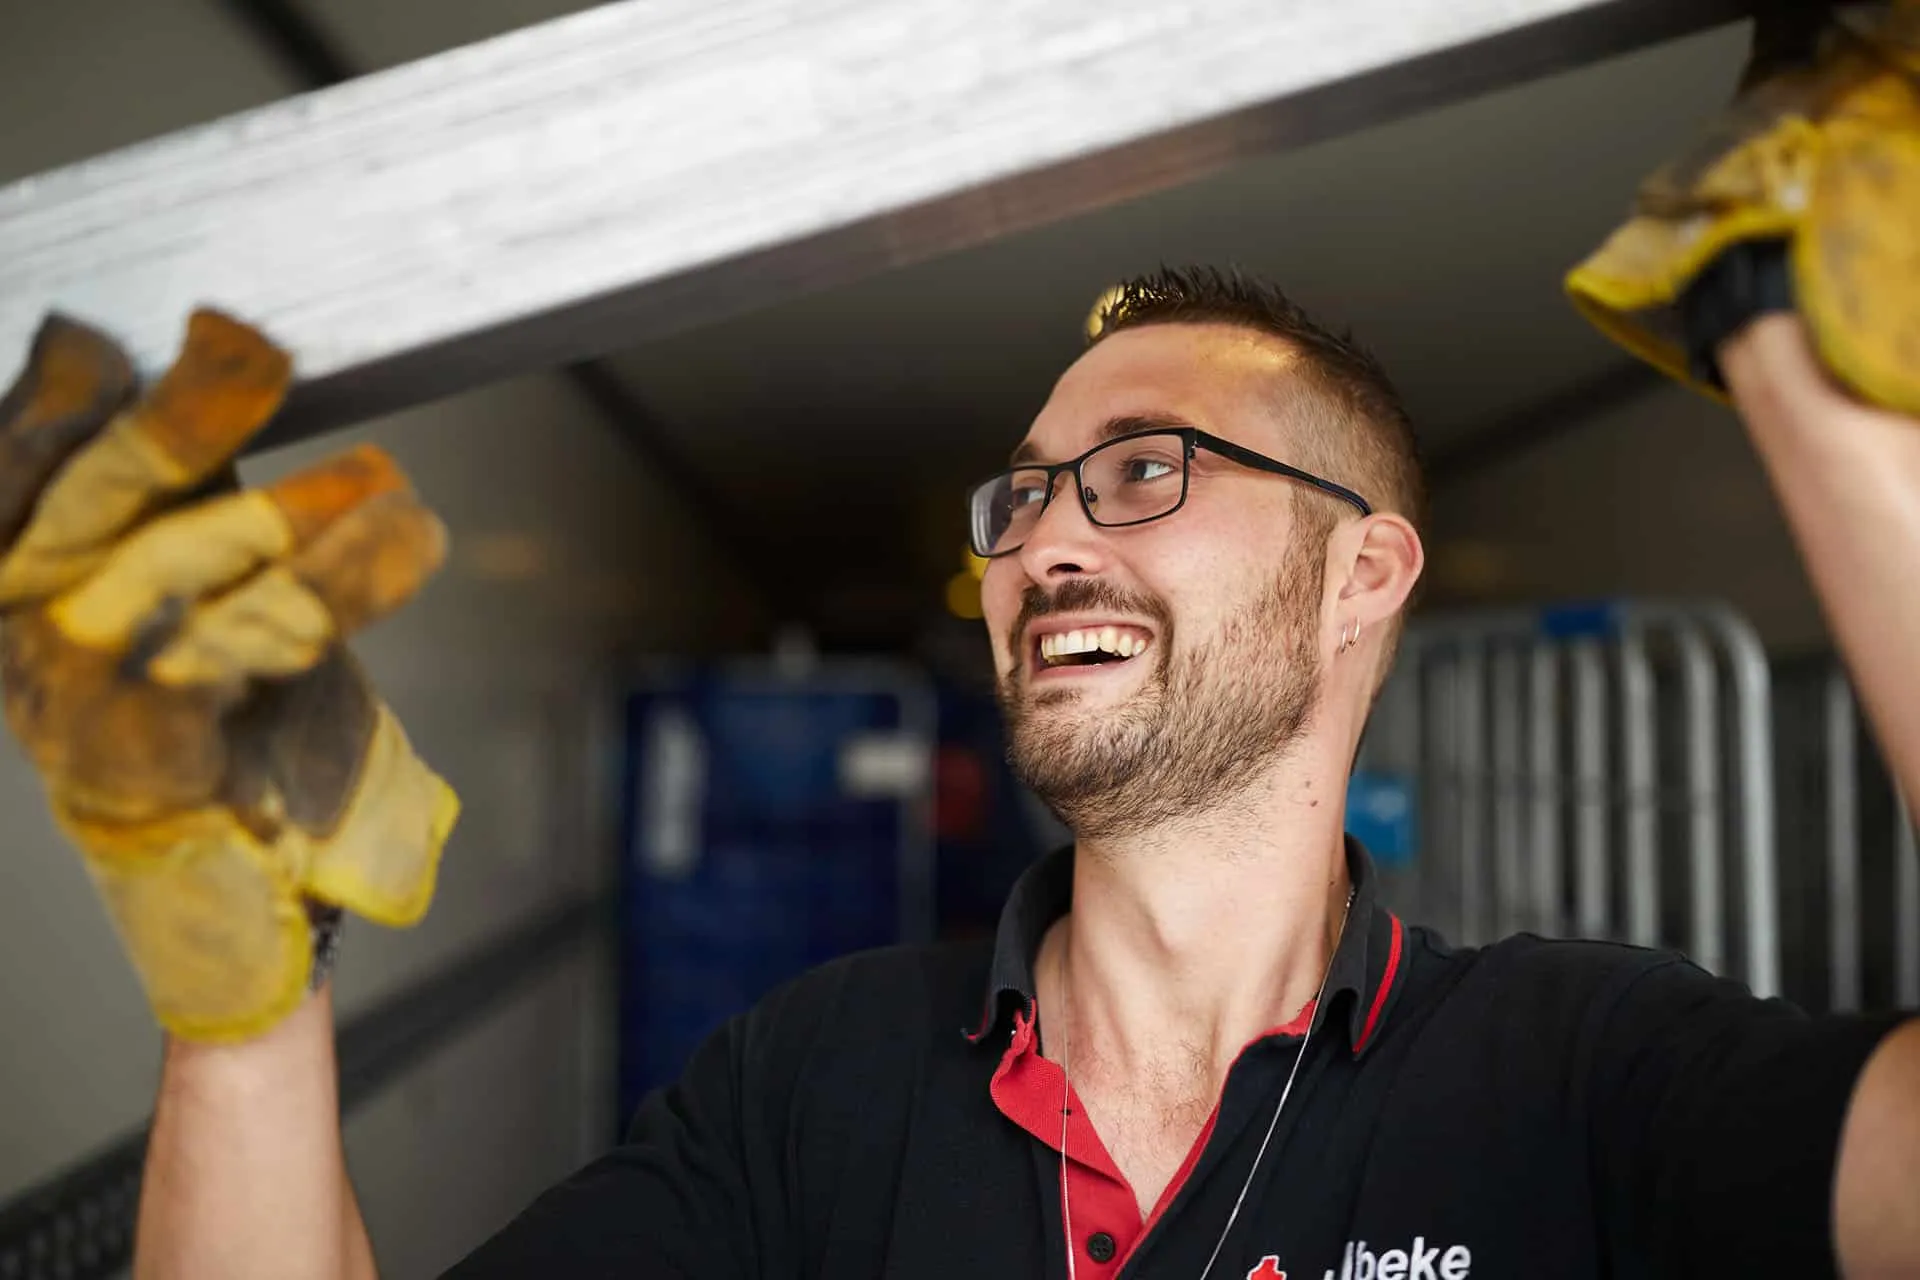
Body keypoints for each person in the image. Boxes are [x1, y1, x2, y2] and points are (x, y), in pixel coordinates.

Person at [1, 8, 1916, 1279]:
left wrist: (1813, 375)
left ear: (1366, 576)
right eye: (1027, 496)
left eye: (1145, 470)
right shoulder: (818, 1082)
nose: (1046, 539)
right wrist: (246, 1007)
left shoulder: (1571, 1069)